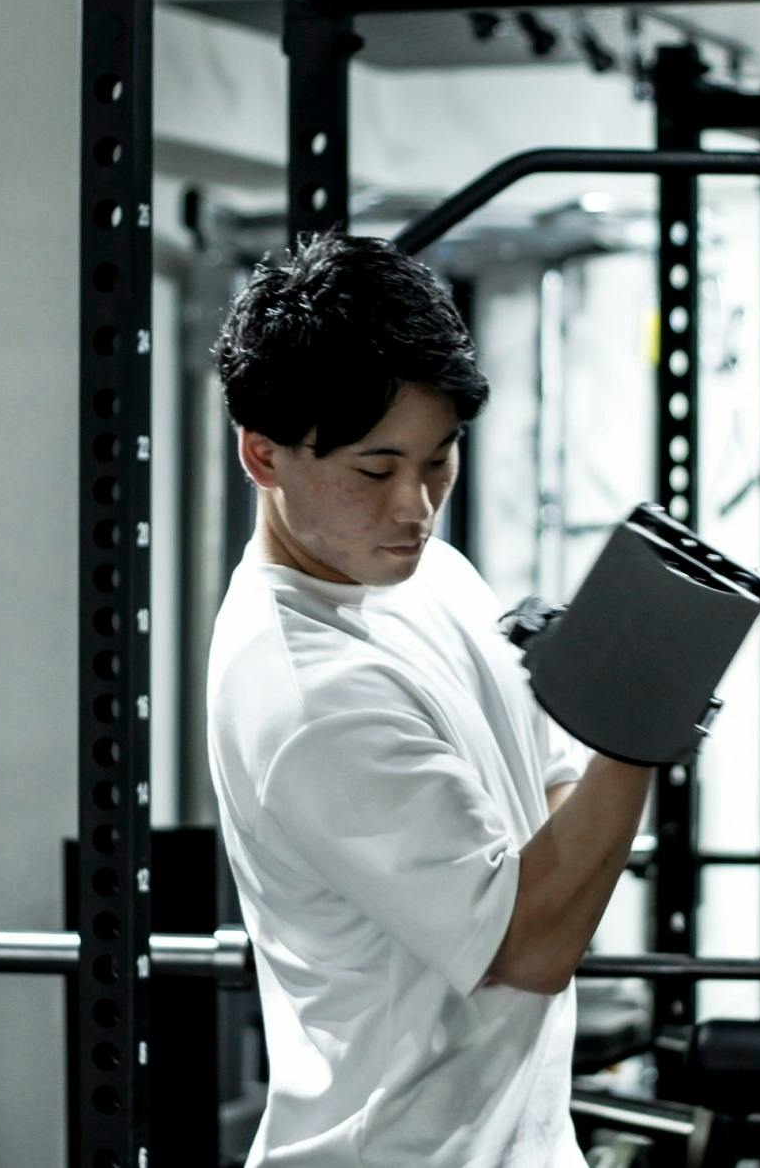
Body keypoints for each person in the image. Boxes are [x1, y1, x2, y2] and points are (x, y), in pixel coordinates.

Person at [206, 232, 653, 1167]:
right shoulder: (309, 695)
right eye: (376, 470)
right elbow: (530, 945)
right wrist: (636, 733)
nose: (416, 506)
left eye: (438, 459)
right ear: (263, 454)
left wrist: (604, 714)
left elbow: (551, 799)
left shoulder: (431, 574)